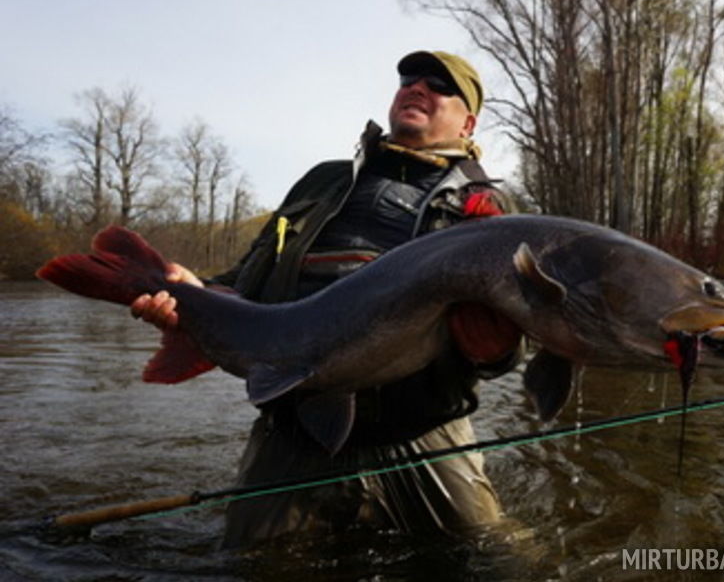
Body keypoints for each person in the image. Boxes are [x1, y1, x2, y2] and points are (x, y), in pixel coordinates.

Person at [131, 50, 523, 547]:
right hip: (296, 424)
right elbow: (248, 284)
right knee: (253, 565)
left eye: (439, 85)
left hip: (423, 431)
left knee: (499, 563)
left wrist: (497, 352)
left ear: (468, 121)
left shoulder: (488, 208)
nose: (416, 87)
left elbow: (513, 350)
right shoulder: (323, 180)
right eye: (407, 78)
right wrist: (196, 294)